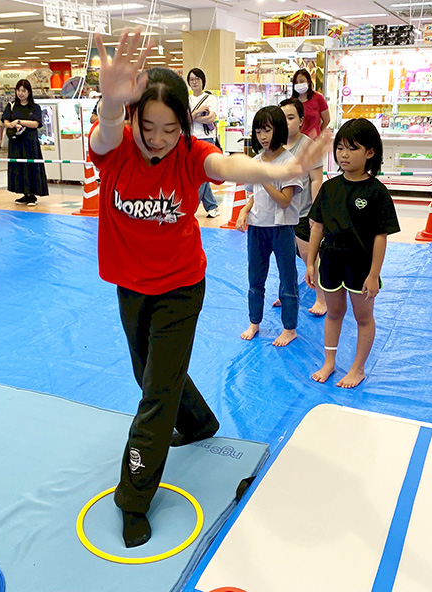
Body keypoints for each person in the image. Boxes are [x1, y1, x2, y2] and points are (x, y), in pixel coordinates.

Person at [88, 30, 331, 548]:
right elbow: (106, 131)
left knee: (155, 392)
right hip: (130, 287)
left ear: (185, 127)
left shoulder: (188, 155)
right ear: (132, 120)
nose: (157, 138)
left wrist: (280, 167)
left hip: (180, 287)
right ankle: (199, 421)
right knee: (149, 373)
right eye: (146, 126)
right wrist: (111, 103)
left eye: (169, 129)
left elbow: (225, 165)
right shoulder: (116, 153)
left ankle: (133, 497)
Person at [304, 118, 400, 388]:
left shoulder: (377, 193)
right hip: (331, 262)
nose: (343, 155)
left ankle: (358, 368)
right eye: (340, 149)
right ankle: (329, 362)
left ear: (370, 152)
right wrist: (311, 263)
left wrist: (373, 275)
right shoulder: (329, 188)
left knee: (363, 317)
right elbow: (317, 228)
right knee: (334, 313)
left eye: (352, 149)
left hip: (361, 266)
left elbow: (380, 237)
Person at [236, 106, 303, 347]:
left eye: (267, 130)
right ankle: (255, 321)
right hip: (257, 227)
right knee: (255, 278)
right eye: (258, 131)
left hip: (281, 228)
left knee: (287, 278)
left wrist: (264, 179)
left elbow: (285, 200)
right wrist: (244, 211)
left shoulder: (290, 162)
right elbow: (254, 194)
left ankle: (289, 328)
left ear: (279, 130)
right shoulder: (256, 161)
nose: (263, 136)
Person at [278, 98, 326, 316]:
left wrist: (317, 213)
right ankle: (287, 292)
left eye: (290, 118)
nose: (286, 123)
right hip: (280, 214)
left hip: (304, 212)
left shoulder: (308, 146)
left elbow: (316, 180)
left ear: (301, 121)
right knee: (284, 256)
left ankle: (321, 298)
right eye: (282, 118)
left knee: (310, 256)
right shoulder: (275, 145)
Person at [2, 79, 49, 206]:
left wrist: (19, 122)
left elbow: (35, 124)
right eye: (18, 90)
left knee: (31, 166)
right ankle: (24, 193)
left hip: (30, 143)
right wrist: (11, 124)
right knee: (18, 167)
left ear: (29, 92)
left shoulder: (35, 107)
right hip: (16, 142)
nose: (20, 93)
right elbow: (5, 122)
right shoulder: (11, 106)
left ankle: (32, 194)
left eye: (23, 91)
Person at [187, 68, 221, 218]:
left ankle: (192, 207)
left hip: (206, 139)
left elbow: (210, 118)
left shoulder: (210, 98)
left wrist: (191, 116)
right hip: (189, 138)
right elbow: (183, 119)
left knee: (201, 173)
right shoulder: (186, 99)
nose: (194, 82)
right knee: (198, 174)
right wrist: (198, 112)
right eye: (191, 79)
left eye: (197, 79)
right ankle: (212, 206)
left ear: (202, 80)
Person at [291, 68, 330, 140]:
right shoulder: (292, 102)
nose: (299, 84)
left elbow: (326, 119)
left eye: (301, 81)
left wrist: (319, 133)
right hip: (296, 142)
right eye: (296, 82)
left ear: (308, 82)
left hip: (314, 141)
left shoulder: (318, 98)